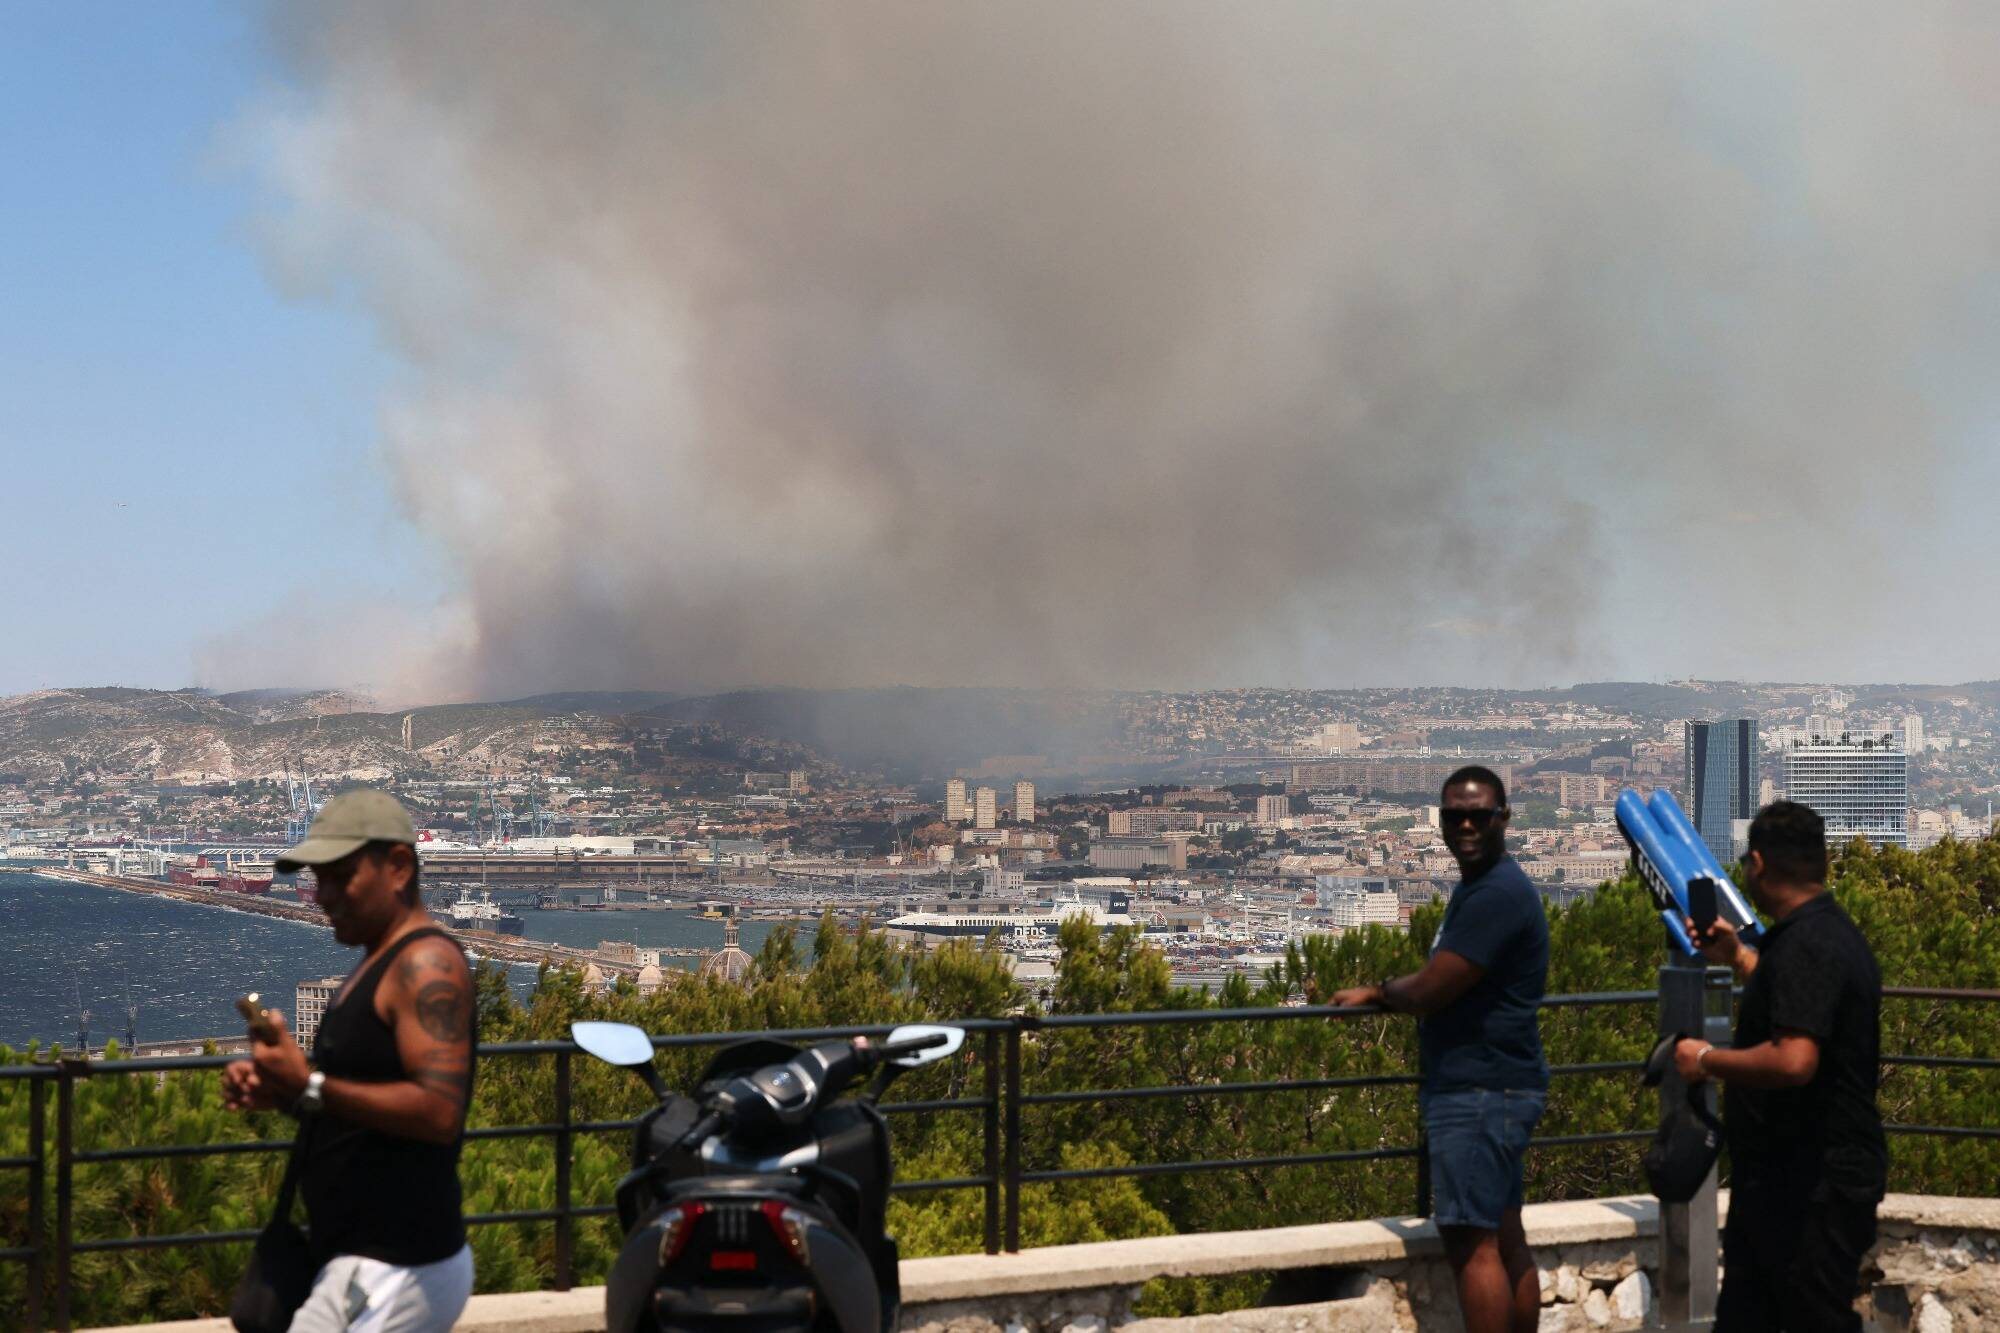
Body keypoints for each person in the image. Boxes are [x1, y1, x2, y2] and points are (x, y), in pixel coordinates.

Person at [222, 789, 477, 1333]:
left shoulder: (427, 963)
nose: (322, 896)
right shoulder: (375, 966)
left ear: (399, 866)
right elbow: (362, 1110)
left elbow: (437, 1112)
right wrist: (283, 1091)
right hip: (359, 1256)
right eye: (318, 879)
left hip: (397, 1264)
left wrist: (309, 1084)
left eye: (340, 877)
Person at [1325, 766, 1549, 1333]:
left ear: (1504, 819)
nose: (1466, 825)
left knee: (1472, 1242)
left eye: (1479, 814)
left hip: (1479, 1087)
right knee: (1503, 1232)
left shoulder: (1495, 892)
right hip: (1501, 1080)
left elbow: (1435, 986)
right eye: (1454, 816)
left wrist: (1377, 992)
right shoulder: (1490, 886)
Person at [1674, 800, 1884, 1331]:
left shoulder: (1806, 944)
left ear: (1760, 865)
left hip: (1811, 1184)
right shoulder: (1820, 933)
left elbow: (1795, 1060)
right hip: (1789, 1177)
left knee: (1812, 1315)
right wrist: (1740, 957)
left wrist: (1705, 1059)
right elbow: (1797, 999)